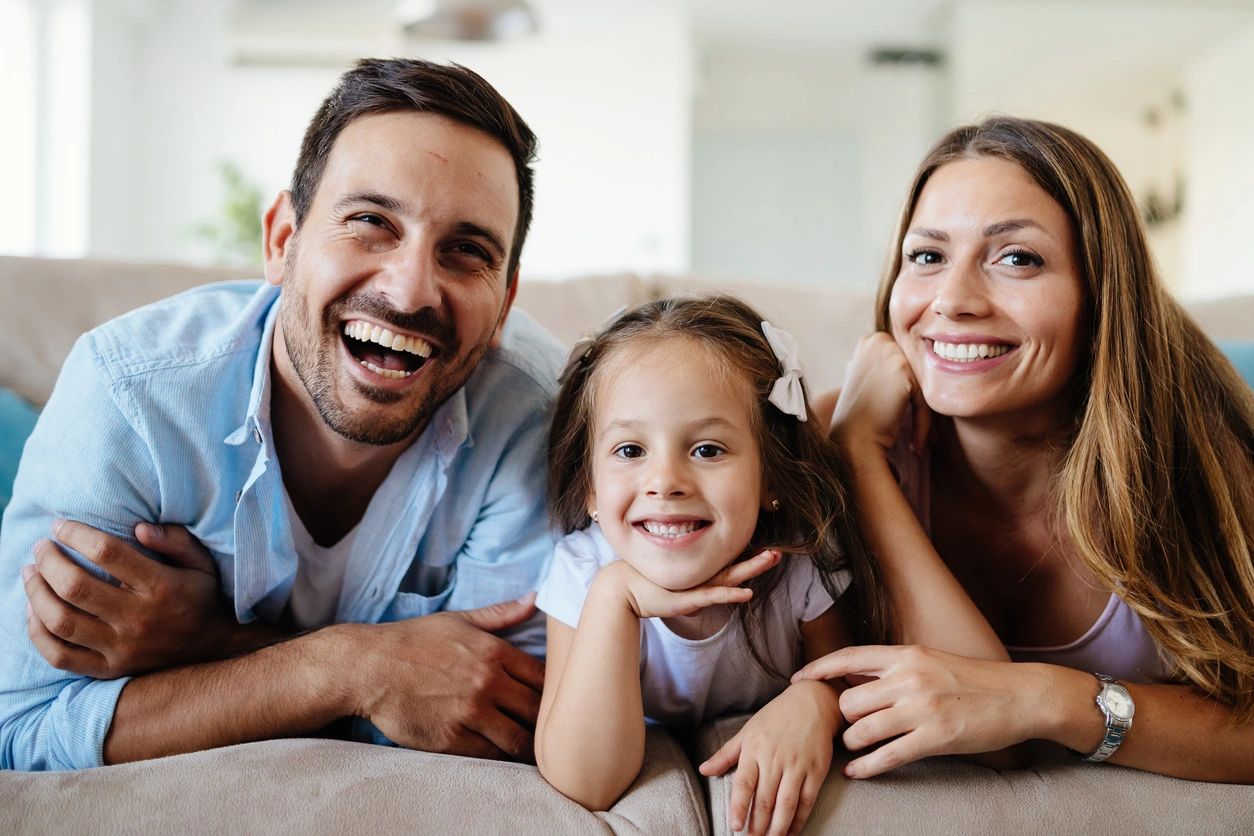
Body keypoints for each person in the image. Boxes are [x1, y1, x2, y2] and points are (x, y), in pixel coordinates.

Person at [1, 58, 565, 771]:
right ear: (280, 241)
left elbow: (497, 718)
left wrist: (207, 640)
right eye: (370, 222)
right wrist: (353, 669)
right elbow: (19, 729)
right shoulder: (131, 395)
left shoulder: (540, 417)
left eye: (467, 251)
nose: (413, 290)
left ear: (507, 300)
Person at [798, 116, 1254, 782]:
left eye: (1017, 258)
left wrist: (1051, 700)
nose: (952, 300)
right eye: (926, 256)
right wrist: (859, 458)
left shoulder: (1202, 453)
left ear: (1100, 294)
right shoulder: (836, 433)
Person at [534, 296, 890, 834]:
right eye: (630, 451)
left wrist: (815, 701)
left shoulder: (799, 558)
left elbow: (846, 678)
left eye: (706, 450)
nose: (665, 481)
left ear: (771, 477)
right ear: (589, 487)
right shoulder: (582, 571)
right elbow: (588, 783)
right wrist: (616, 596)